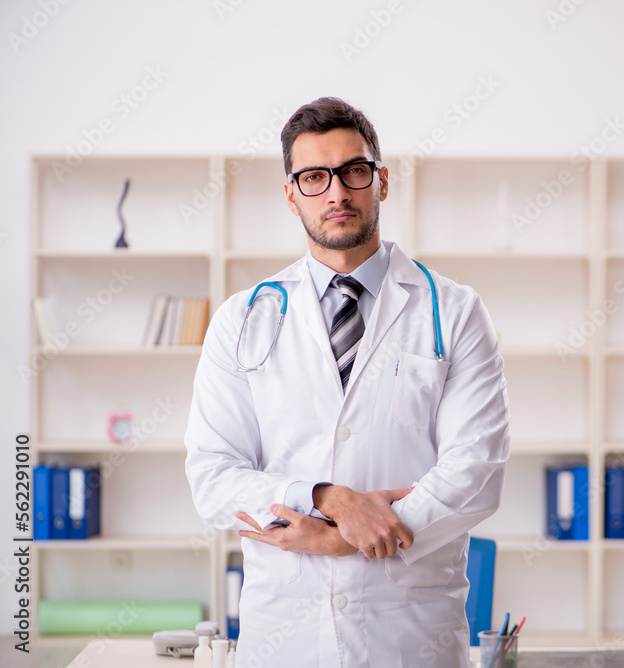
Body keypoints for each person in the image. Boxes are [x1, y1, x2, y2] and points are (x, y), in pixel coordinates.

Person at [184, 97, 510, 667]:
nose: (336, 193)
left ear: (381, 180)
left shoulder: (454, 311)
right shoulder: (242, 319)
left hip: (409, 633)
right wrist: (322, 498)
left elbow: (477, 470)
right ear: (292, 195)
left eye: (353, 172)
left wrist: (345, 537)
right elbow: (213, 477)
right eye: (314, 177)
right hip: (286, 632)